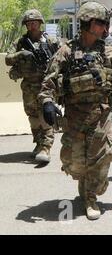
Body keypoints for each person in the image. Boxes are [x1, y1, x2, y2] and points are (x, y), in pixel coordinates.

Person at [38, 1, 112, 220]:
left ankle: (91, 197)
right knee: (74, 163)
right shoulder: (66, 51)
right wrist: (47, 102)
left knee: (104, 156)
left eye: (105, 23)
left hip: (102, 114)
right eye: (100, 23)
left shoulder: (108, 51)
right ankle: (84, 182)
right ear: (87, 23)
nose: (104, 28)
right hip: (75, 116)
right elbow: (49, 81)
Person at [5, 9, 59, 163]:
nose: (32, 26)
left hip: (45, 85)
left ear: (40, 23)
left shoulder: (50, 41)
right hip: (28, 85)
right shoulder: (20, 42)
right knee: (33, 116)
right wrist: (21, 54)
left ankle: (46, 147)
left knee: (45, 115)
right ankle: (39, 142)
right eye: (29, 23)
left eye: (34, 23)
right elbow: (8, 59)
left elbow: (61, 58)